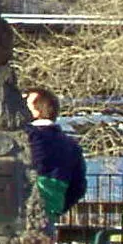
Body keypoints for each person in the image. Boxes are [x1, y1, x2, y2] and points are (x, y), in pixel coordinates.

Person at [25, 87, 86, 222]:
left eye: (25, 103)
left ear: (35, 111)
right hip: (50, 214)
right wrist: (56, 208)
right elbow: (78, 187)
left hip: (18, 211)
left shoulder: (26, 137)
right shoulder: (71, 145)